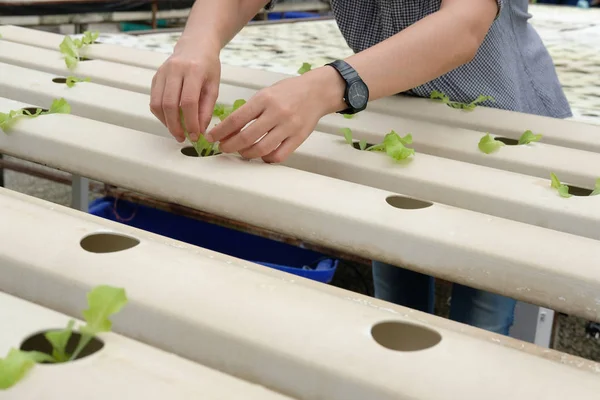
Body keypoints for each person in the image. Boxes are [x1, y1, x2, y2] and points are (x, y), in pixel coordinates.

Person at [150, 0, 571, 335]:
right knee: (395, 303)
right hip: (398, 121)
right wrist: (196, 44)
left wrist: (325, 87)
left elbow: (463, 24)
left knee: (480, 319)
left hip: (501, 136)